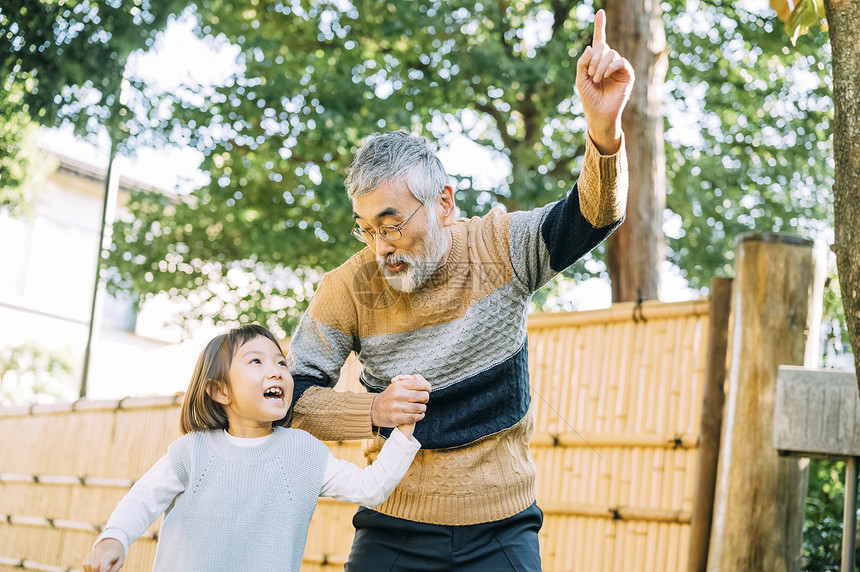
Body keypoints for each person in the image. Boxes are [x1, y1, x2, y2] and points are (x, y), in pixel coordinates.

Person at [286, 9, 633, 570]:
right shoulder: (348, 287)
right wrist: (373, 410)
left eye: (393, 222)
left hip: (502, 527)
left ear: (444, 203)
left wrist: (603, 132)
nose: (381, 245)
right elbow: (292, 397)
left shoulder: (501, 246)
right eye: (367, 227)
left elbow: (593, 216)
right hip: (393, 526)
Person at [81, 324, 422, 572]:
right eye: (256, 362)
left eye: (281, 363)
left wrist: (404, 431)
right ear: (220, 392)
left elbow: (371, 488)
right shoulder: (192, 453)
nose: (275, 371)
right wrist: (114, 537)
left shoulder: (304, 452)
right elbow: (143, 499)